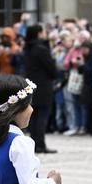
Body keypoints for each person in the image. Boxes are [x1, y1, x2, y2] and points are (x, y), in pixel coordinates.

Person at [22, 25, 58, 153]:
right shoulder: (41, 49)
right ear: (38, 34)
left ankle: (34, 144)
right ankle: (40, 145)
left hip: (32, 85)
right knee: (42, 116)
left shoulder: (28, 48)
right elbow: (51, 68)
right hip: (43, 86)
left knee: (34, 116)